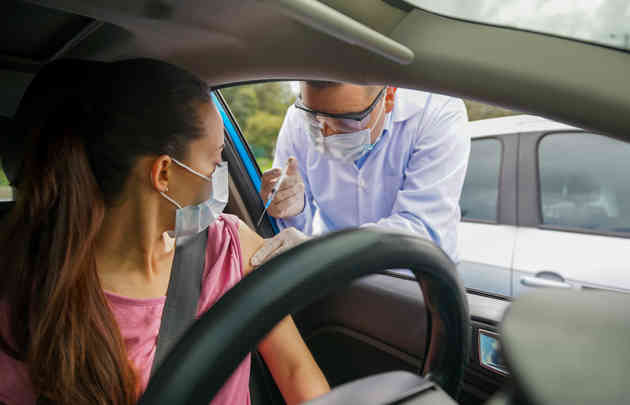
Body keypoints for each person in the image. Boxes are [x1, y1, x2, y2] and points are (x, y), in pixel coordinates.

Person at [0, 59, 329, 405]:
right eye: (215, 160)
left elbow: (296, 372)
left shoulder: (229, 244)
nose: (220, 172)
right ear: (164, 173)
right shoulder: (33, 297)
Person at [252, 83, 470, 266]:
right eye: (314, 119)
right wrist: (292, 209)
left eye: (345, 121)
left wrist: (322, 250)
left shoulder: (437, 113)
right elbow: (291, 234)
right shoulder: (297, 119)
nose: (326, 134)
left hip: (413, 281)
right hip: (333, 274)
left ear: (389, 97)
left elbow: (422, 231)